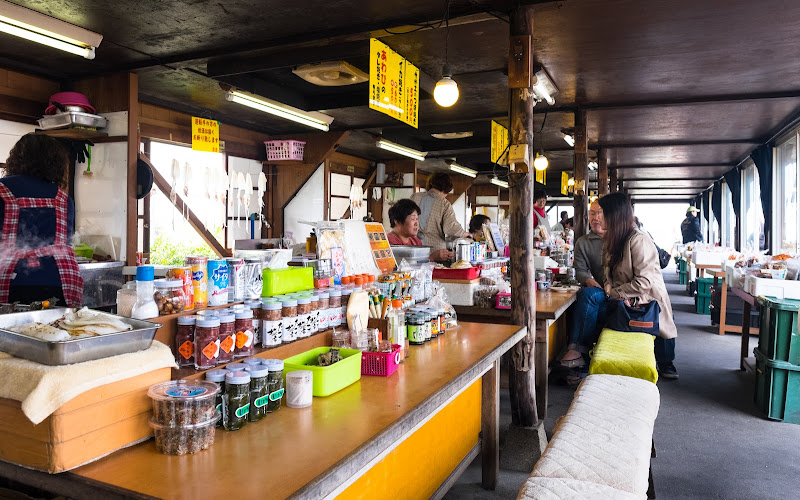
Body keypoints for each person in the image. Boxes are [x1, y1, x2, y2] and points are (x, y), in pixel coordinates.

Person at [600, 193, 679, 379]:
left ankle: (666, 361)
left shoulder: (639, 239)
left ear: (614, 215)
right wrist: (608, 286)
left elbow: (645, 282)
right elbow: (606, 272)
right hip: (626, 299)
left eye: (601, 213)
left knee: (662, 334)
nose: (597, 217)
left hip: (648, 299)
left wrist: (615, 293)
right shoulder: (612, 239)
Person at [0, 134, 83, 307]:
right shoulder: (63, 198)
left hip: (9, 279)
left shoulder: (2, 190)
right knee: (54, 331)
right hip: (58, 280)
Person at [559, 200, 606, 370]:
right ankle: (577, 355)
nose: (596, 217)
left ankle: (578, 360)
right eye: (592, 213)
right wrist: (590, 281)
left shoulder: (621, 238)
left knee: (589, 300)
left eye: (600, 213)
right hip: (600, 291)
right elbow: (579, 270)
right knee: (587, 296)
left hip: (623, 292)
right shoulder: (583, 242)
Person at [410, 173, 468, 261]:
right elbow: (451, 228)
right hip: (435, 252)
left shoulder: (415, 197)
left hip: (413, 248)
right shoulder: (444, 203)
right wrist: (465, 234)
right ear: (447, 189)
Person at [386, 198, 451, 263]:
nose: (416, 223)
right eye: (413, 219)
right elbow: (403, 267)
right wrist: (432, 258)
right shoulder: (389, 243)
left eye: (417, 219)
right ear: (398, 222)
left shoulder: (415, 240)